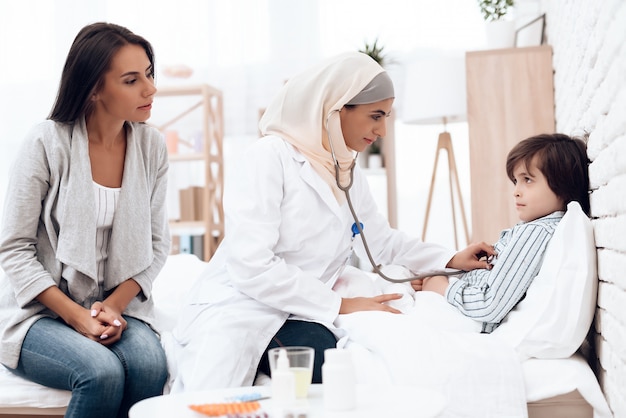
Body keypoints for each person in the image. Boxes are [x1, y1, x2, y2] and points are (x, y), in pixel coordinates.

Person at [169, 51, 494, 392]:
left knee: (346, 360)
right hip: (244, 303)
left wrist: (450, 258)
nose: (382, 130)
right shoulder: (268, 158)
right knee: (236, 387)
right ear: (336, 109)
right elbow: (252, 266)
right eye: (375, 116)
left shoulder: (345, 169)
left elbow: (380, 241)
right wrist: (340, 305)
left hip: (302, 304)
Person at [0, 22, 169, 418]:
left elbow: (158, 245)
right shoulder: (46, 142)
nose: (150, 88)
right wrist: (78, 317)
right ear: (94, 88)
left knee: (151, 365)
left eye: (149, 73)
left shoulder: (151, 145)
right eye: (131, 80)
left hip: (117, 307)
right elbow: (14, 248)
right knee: (100, 372)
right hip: (40, 312)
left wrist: (111, 307)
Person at [420, 133, 590, 333]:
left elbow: (489, 305)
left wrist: (442, 287)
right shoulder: (536, 228)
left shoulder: (536, 232)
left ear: (563, 185)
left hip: (464, 316)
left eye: (527, 180)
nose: (516, 191)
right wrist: (443, 275)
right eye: (516, 181)